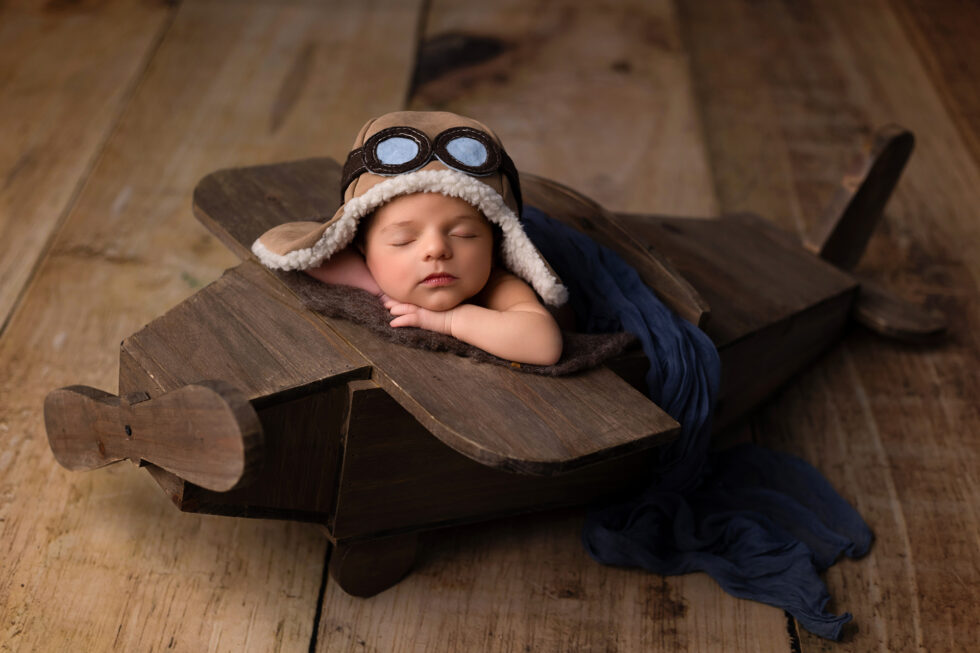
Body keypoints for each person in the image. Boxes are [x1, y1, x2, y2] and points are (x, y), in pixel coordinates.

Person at [251, 110, 567, 366]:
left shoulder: (498, 284)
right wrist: (379, 288)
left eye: (464, 234)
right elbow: (312, 257)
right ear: (359, 244)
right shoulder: (359, 255)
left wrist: (449, 320)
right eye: (403, 240)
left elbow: (543, 345)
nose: (437, 249)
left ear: (498, 243)